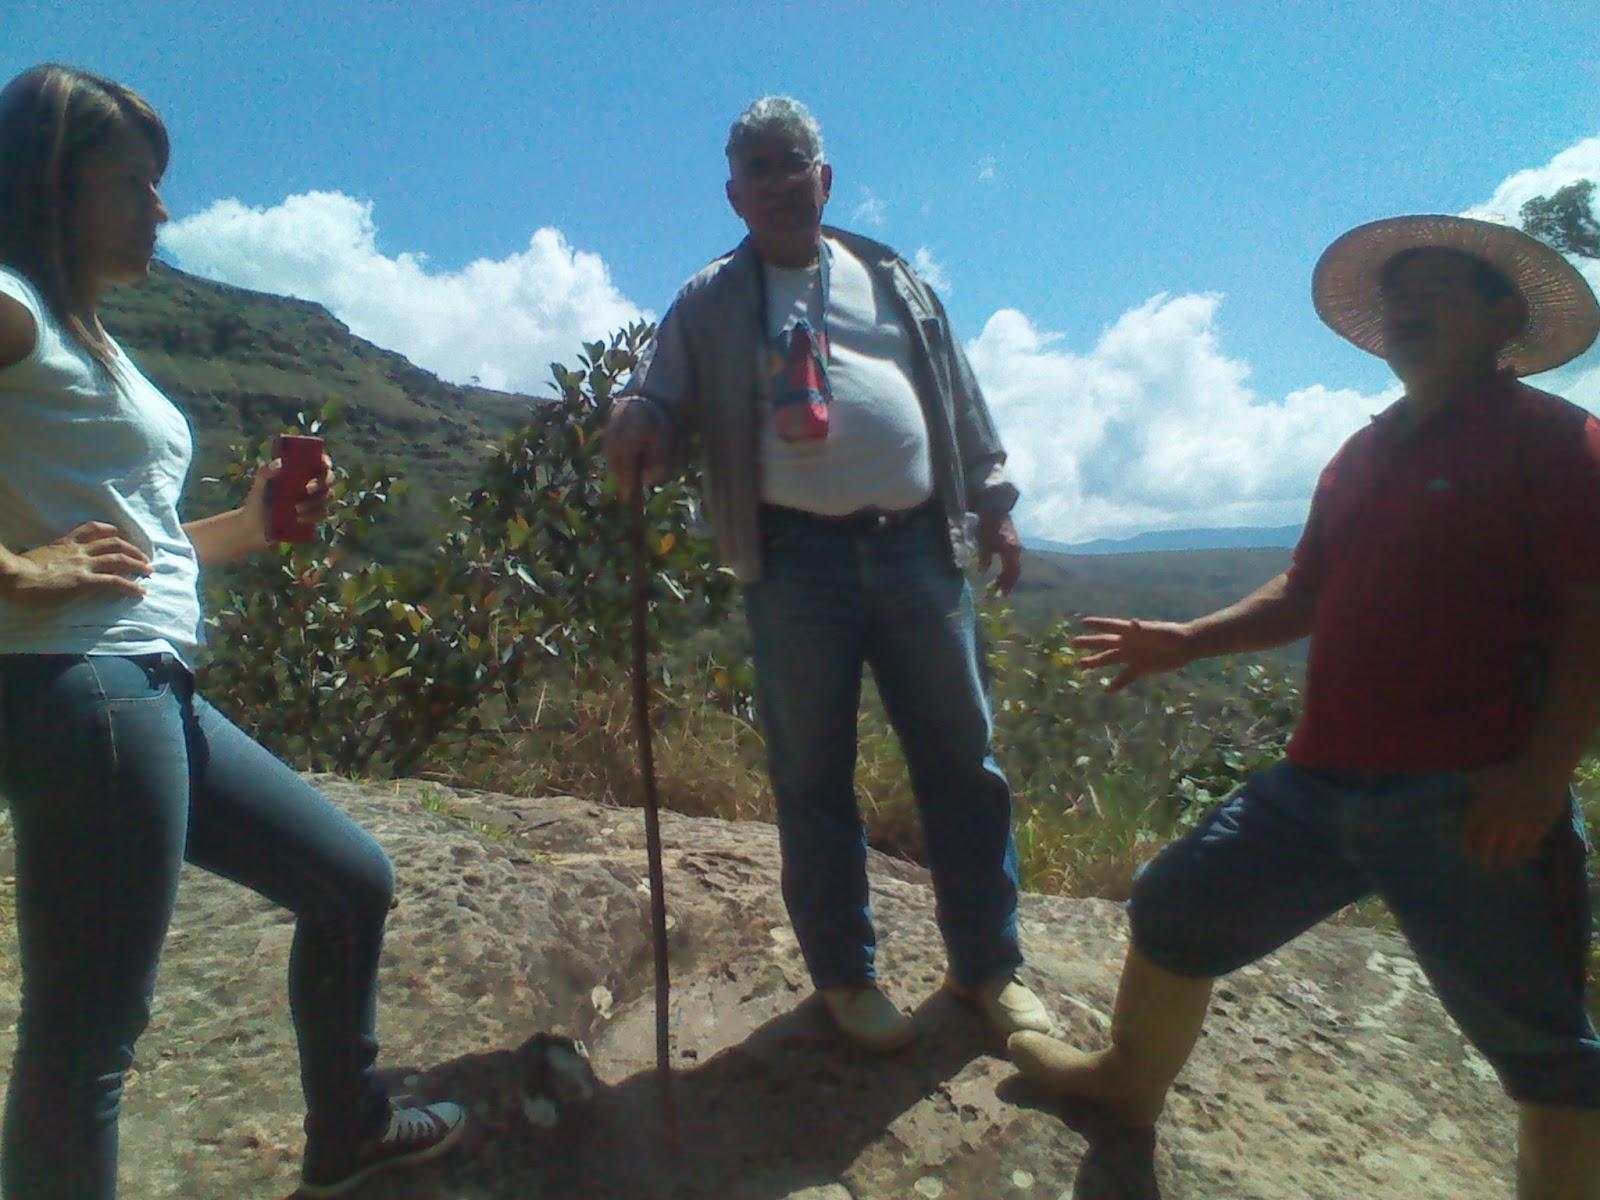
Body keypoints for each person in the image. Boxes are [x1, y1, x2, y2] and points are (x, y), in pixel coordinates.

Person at [1006, 214, 1600, 1199]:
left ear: (1503, 319)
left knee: (1544, 1048)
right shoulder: (1360, 455)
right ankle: (1124, 1087)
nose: (1408, 306)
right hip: (1320, 783)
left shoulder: (1558, 444)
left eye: (1438, 289)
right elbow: (1305, 592)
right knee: (1174, 908)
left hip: (1468, 801)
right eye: (1397, 293)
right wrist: (1182, 641)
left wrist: (1541, 781)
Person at [0, 64, 465, 1199]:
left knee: (350, 882)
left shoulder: (79, 333)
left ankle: (348, 1127)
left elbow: (147, 546)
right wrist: (17, 567)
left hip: (149, 688)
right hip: (86, 690)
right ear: (55, 185)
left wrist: (254, 524)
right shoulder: (9, 301)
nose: (162, 209)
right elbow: (77, 567)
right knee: (87, 1040)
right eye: (137, 184)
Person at [604, 95, 1051, 1053]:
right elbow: (660, 396)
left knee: (963, 763)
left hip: (919, 545)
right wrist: (638, 413)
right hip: (793, 558)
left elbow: (954, 394)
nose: (777, 182)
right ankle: (847, 977)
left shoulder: (892, 279)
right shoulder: (710, 299)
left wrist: (997, 504)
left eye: (791, 162)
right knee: (812, 775)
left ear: (825, 178)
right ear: (735, 194)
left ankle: (988, 969)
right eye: (757, 169)